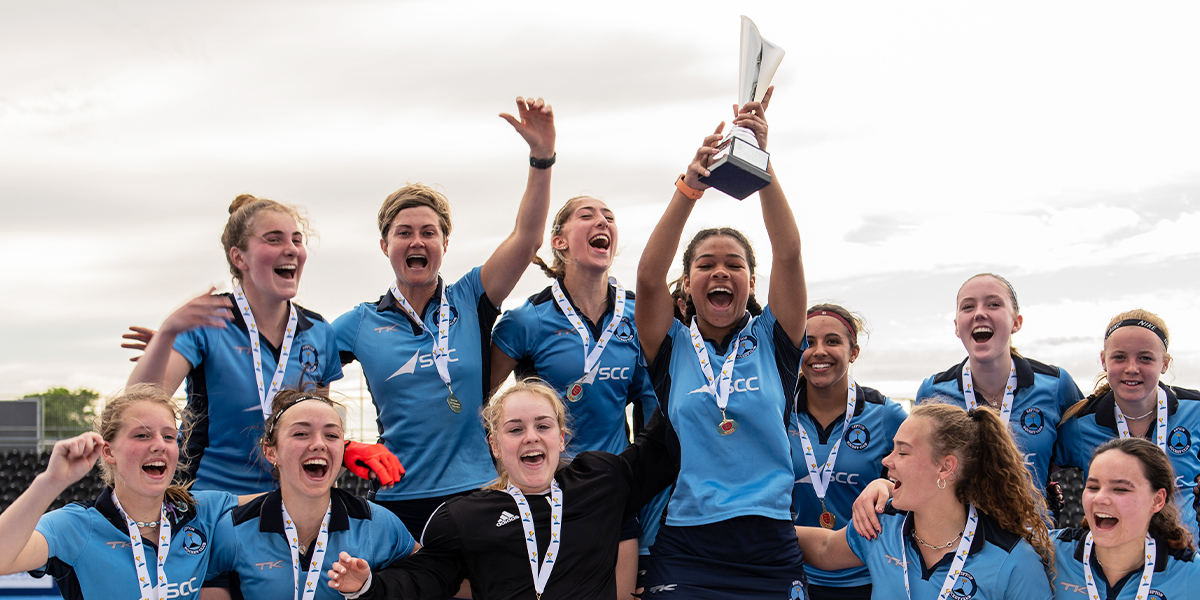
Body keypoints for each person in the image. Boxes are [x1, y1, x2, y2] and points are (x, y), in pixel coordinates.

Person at [332, 96, 556, 540]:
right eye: (404, 233)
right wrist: (343, 446)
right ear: (385, 245)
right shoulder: (359, 323)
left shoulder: (470, 296)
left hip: (478, 492)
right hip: (399, 499)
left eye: (429, 232)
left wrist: (542, 156)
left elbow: (527, 239)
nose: (417, 241)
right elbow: (298, 383)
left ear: (445, 244)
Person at [634, 86, 811, 599]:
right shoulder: (671, 346)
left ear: (750, 283)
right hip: (689, 543)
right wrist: (688, 189)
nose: (720, 272)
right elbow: (647, 279)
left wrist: (761, 163)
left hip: (770, 543)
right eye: (705, 265)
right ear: (687, 283)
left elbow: (789, 252)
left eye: (734, 265)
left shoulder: (773, 338)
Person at [127, 195, 400, 494]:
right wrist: (167, 335)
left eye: (297, 240)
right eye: (274, 239)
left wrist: (344, 450)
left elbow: (317, 423)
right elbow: (137, 406)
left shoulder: (318, 331)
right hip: (210, 504)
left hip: (287, 505)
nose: (291, 249)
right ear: (239, 258)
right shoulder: (209, 321)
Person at [324, 379, 676, 599]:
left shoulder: (600, 481)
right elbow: (423, 579)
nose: (531, 436)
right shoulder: (464, 516)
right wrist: (367, 585)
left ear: (561, 437)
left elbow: (662, 443)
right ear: (494, 445)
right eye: (515, 429)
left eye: (543, 426)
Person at [488, 195, 662, 599]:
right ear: (560, 241)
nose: (602, 221)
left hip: (616, 489)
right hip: (547, 492)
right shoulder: (526, 319)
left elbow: (654, 407)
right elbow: (485, 403)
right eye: (587, 215)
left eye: (609, 217)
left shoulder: (639, 314)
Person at [0, 385, 238, 599]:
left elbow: (264, 504)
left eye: (169, 436)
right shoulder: (75, 527)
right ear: (108, 452)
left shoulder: (204, 512)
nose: (160, 445)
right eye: (142, 435)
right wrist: (50, 482)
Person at [797, 403, 1054, 599]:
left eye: (903, 452)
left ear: (945, 468)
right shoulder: (883, 525)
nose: (887, 461)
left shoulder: (1013, 560)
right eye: (892, 449)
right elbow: (824, 550)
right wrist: (770, 527)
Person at [204, 391, 417, 600]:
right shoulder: (233, 530)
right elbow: (205, 582)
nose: (319, 444)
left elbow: (425, 576)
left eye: (331, 435)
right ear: (271, 452)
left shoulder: (376, 524)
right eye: (301, 434)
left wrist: (369, 587)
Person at [917, 273, 1083, 494]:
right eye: (968, 307)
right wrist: (883, 485)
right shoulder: (933, 392)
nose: (979, 313)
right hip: (959, 519)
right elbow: (916, 468)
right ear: (957, 327)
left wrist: (1042, 485)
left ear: (1016, 322)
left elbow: (1084, 448)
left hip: (1033, 518)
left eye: (994, 304)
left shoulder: (1057, 385)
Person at [790, 304, 906, 600]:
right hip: (795, 573)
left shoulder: (886, 415)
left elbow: (921, 480)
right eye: (809, 342)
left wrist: (886, 485)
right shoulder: (779, 412)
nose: (819, 351)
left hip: (867, 576)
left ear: (853, 352)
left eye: (832, 341)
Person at [1054, 309, 1200, 538]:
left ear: (1164, 364)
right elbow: (1038, 468)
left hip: (1183, 554)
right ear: (1104, 360)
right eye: (1120, 357)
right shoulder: (1081, 425)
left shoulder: (1195, 410)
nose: (1132, 368)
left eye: (1145, 358)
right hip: (1111, 556)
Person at [1051, 437, 1200, 598]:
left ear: (1157, 500)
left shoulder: (1191, 574)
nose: (1099, 498)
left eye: (1120, 489)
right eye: (1093, 487)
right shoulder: (1048, 551)